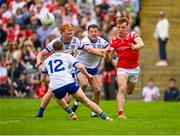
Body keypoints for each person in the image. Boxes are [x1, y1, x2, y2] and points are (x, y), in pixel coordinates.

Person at [35, 23, 105, 117]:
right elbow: (41, 54)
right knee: (50, 91)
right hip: (60, 72)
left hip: (72, 70)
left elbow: (88, 49)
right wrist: (38, 61)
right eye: (68, 34)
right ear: (62, 33)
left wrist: (100, 52)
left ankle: (75, 106)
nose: (70, 36)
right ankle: (40, 113)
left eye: (72, 33)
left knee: (80, 87)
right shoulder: (55, 43)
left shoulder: (75, 41)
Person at [40, 40, 112, 121]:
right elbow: (80, 67)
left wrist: (55, 79)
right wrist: (88, 75)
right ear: (63, 48)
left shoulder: (46, 60)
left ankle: (71, 113)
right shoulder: (67, 56)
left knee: (58, 98)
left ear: (53, 49)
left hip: (56, 86)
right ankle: (106, 118)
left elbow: (42, 79)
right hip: (69, 82)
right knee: (86, 101)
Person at [107, 17, 144, 118]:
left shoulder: (133, 35)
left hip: (134, 68)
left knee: (130, 91)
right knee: (122, 88)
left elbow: (141, 44)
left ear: (126, 27)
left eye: (123, 27)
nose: (121, 29)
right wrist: (108, 54)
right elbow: (109, 57)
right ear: (117, 27)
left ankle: (128, 87)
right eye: (119, 27)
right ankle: (120, 113)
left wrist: (135, 46)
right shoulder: (114, 40)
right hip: (122, 67)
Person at [71, 24, 109, 117]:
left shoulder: (101, 40)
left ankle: (94, 112)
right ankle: (76, 103)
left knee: (98, 90)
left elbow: (109, 48)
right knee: (84, 84)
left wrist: (107, 50)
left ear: (98, 32)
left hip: (93, 69)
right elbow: (91, 51)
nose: (94, 33)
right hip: (81, 66)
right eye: (91, 31)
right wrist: (103, 52)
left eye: (95, 31)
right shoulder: (85, 40)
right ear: (88, 33)